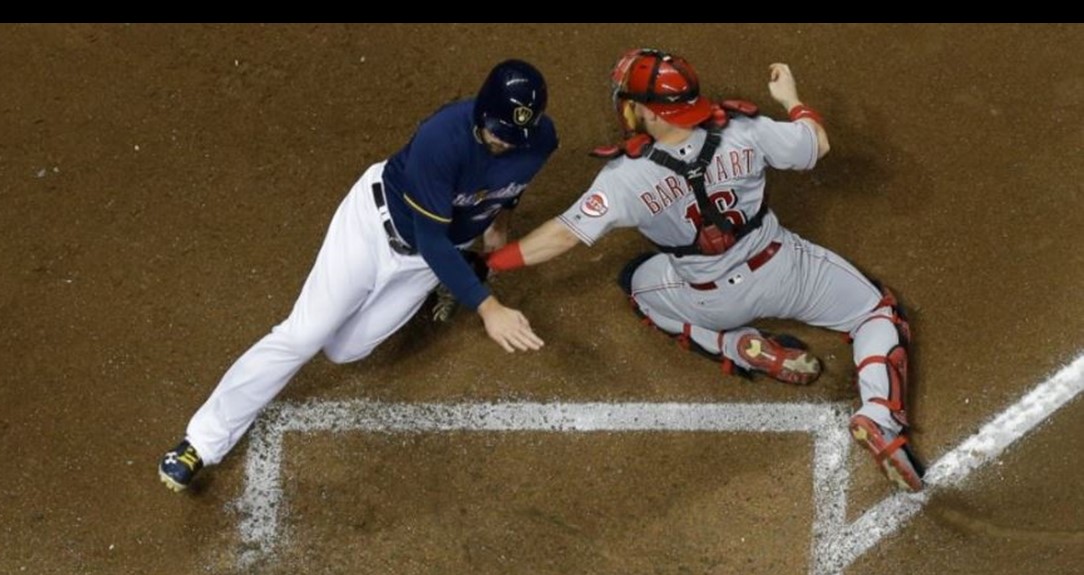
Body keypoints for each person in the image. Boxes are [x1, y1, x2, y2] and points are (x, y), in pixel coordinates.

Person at [484, 49, 924, 492]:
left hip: (708, 297)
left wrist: (494, 260)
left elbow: (563, 235)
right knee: (876, 312)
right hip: (787, 271)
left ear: (650, 113)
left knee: (638, 282)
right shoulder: (743, 129)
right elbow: (817, 144)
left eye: (631, 100)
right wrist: (792, 100)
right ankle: (879, 417)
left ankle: (736, 345)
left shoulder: (623, 177)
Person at [159, 60, 557, 492]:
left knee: (345, 350)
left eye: (515, 136)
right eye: (498, 131)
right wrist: (486, 305)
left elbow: (510, 189)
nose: (504, 142)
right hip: (373, 230)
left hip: (428, 262)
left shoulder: (539, 142)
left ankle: (448, 280)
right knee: (304, 335)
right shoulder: (441, 139)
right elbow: (431, 238)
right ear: (481, 112)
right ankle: (201, 441)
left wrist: (499, 225)